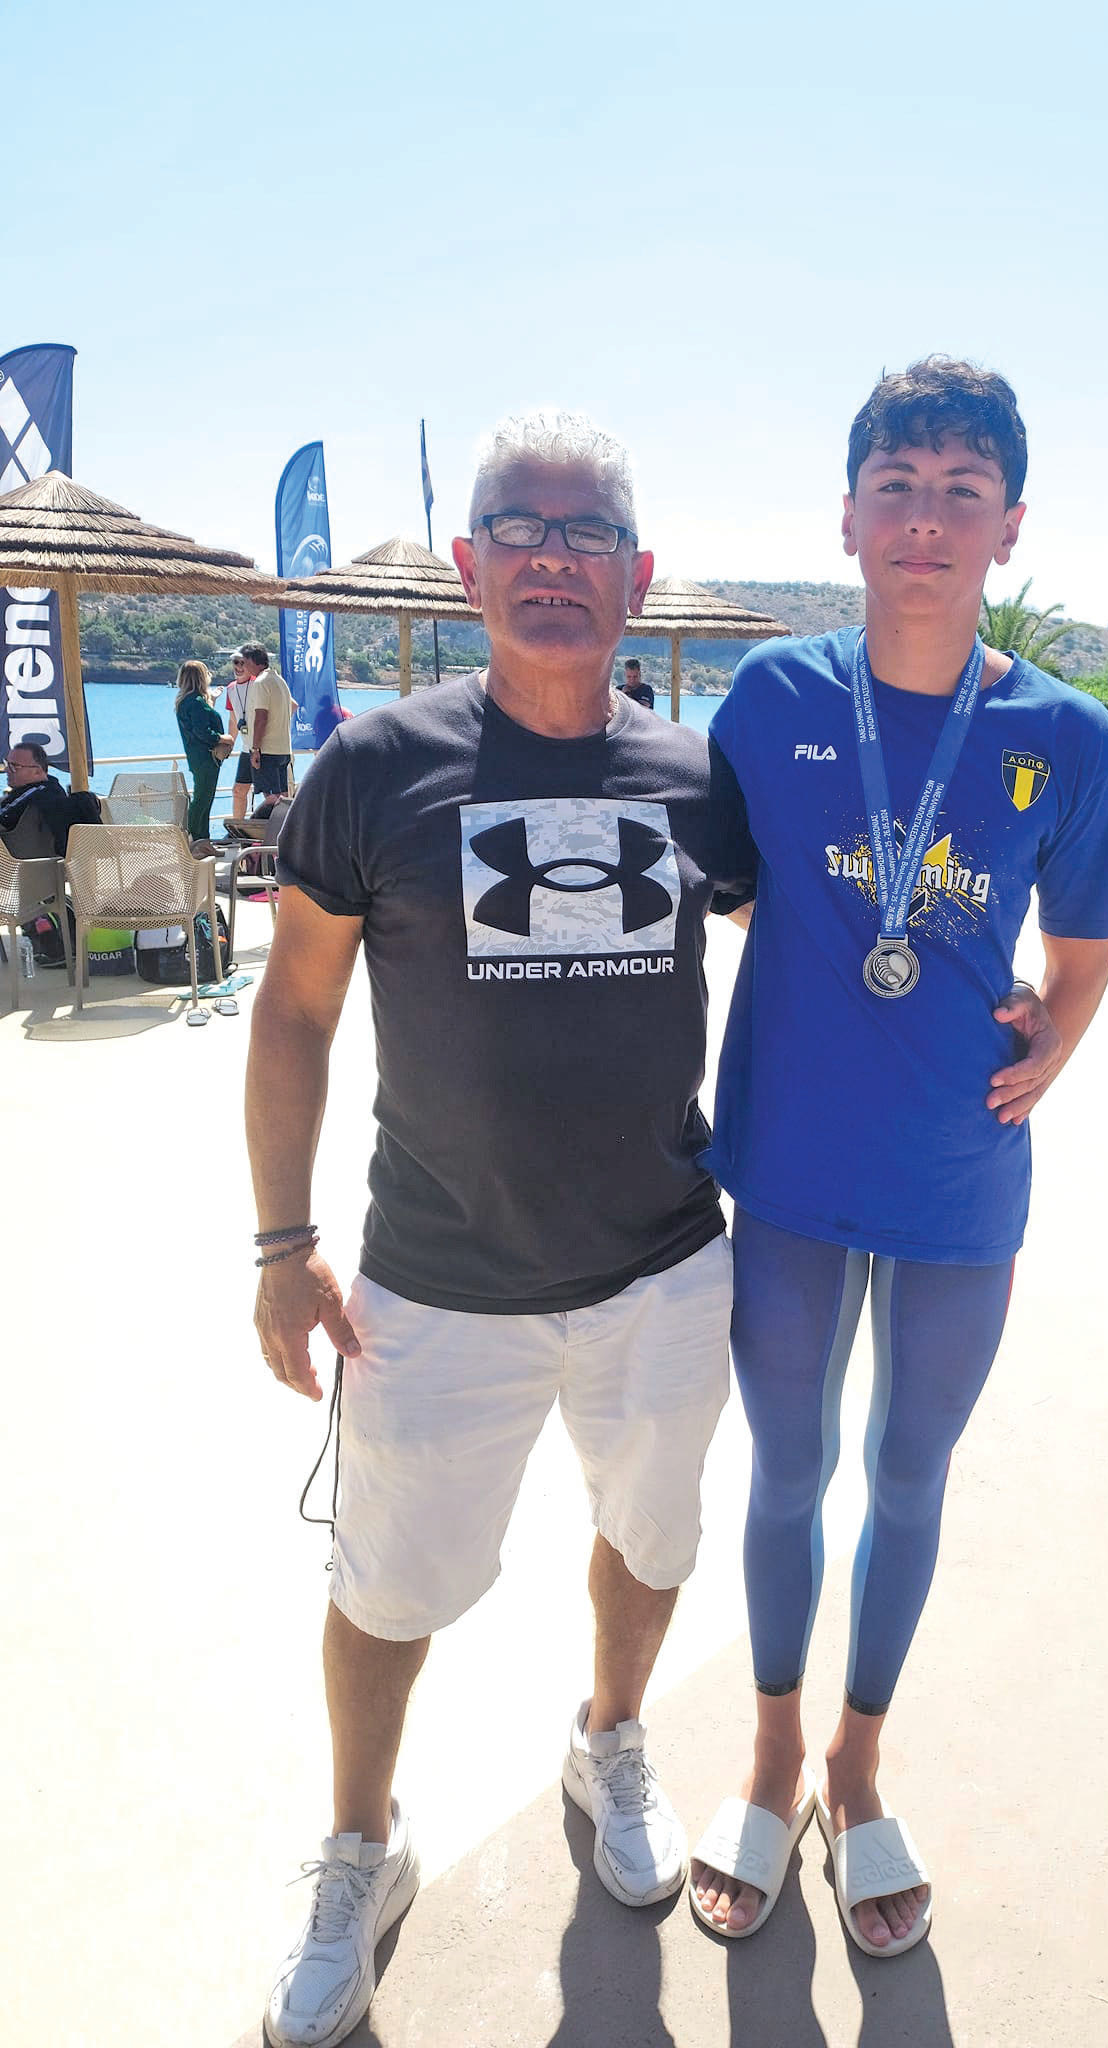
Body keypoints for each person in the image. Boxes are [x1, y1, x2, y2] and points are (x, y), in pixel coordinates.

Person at [250, 406, 756, 2048]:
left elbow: (817, 956)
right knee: (384, 1588)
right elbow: (294, 1010)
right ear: (469, 566)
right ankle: (360, 1844)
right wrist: (279, 1244)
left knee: (651, 1541)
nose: (554, 558)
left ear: (638, 575)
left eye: (587, 530)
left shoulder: (698, 778)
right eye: (521, 529)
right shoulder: (374, 767)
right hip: (434, 1285)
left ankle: (609, 1736)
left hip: (661, 1268)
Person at [690, 358, 1108, 1957]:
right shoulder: (768, 700)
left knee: (908, 1473)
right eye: (898, 486)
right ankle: (769, 1754)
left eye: (963, 492)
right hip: (791, 1168)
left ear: (1010, 525)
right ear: (848, 517)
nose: (927, 521)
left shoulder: (1068, 737)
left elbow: (1083, 950)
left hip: (960, 1175)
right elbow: (728, 880)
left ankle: (858, 1764)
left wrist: (1053, 1047)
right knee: (786, 1468)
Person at [227, 644, 292, 823]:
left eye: (244, 662)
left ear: (252, 661)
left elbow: (261, 717)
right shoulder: (280, 681)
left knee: (271, 800)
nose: (243, 666)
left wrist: (255, 749)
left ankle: (259, 832)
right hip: (283, 749)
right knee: (282, 798)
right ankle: (283, 833)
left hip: (267, 751)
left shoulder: (260, 683)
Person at [174, 660, 227, 845]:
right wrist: (223, 738)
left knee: (204, 799)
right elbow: (203, 732)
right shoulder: (196, 702)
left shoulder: (187, 701)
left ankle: (202, 840)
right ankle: (193, 838)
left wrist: (211, 701)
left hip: (198, 757)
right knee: (202, 800)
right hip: (206, 758)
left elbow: (201, 722)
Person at [1, 740, 74, 857]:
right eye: (7, 764)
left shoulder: (36, 794)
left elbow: (4, 816)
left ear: (37, 771)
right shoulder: (51, 789)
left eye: (14, 766)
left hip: (17, 863)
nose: (7, 770)